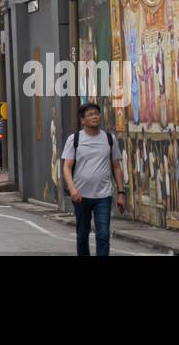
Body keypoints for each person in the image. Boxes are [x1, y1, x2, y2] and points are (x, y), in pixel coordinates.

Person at [61, 102, 125, 256]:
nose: (95, 117)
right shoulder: (74, 139)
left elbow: (116, 166)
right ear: (83, 120)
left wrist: (121, 193)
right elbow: (66, 167)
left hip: (103, 196)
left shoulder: (110, 139)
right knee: (82, 235)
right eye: (90, 114)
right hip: (80, 196)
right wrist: (72, 189)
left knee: (103, 235)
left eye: (96, 113)